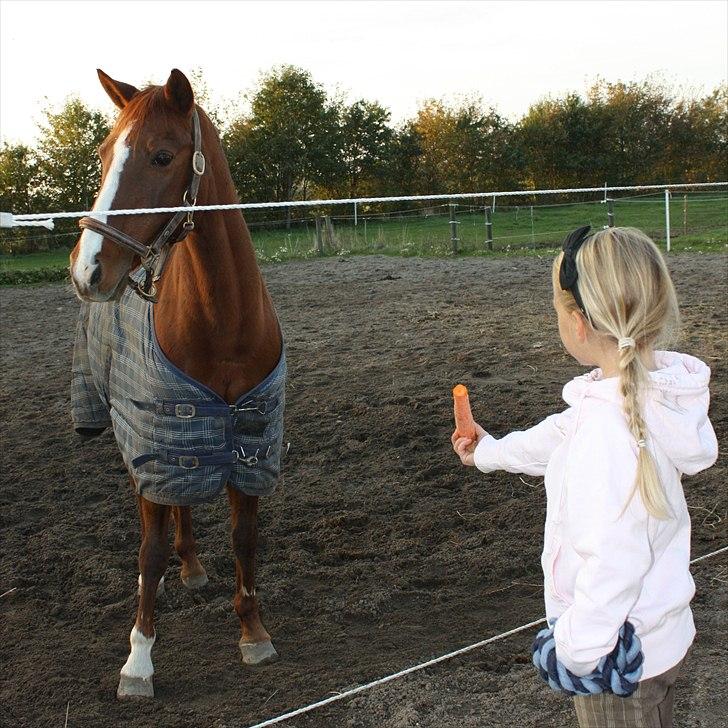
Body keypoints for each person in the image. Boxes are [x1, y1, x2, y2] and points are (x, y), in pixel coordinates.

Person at [452, 226, 717, 728]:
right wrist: (488, 452)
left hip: (615, 660)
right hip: (657, 638)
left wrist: (575, 649)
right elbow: (558, 434)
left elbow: (616, 559)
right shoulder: (644, 393)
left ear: (576, 323)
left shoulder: (607, 427)